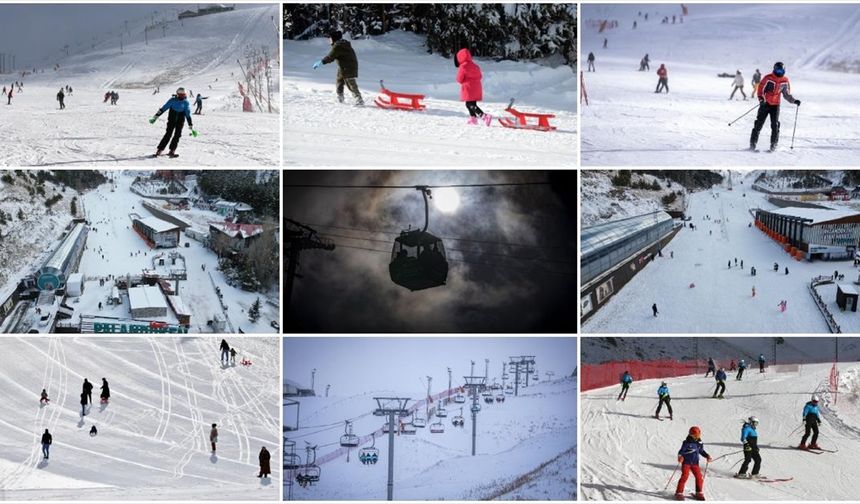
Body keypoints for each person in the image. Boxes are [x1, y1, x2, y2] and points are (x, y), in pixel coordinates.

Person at [749, 62, 800, 152]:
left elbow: (786, 94)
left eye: (781, 70)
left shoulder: (785, 80)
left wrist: (794, 101)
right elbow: (760, 90)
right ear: (774, 69)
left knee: (775, 125)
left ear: (784, 70)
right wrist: (762, 99)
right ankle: (752, 145)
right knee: (758, 124)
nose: (779, 72)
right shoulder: (768, 78)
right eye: (777, 70)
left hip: (775, 105)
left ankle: (773, 145)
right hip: (765, 104)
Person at [312, 30, 364, 106]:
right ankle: (340, 98)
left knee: (350, 83)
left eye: (330, 38)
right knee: (339, 81)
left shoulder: (338, 46)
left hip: (348, 67)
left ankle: (359, 100)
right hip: (343, 67)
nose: (329, 40)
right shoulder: (342, 44)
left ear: (334, 38)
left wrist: (321, 62)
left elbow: (330, 57)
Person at [149, 87, 195, 158]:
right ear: (178, 94)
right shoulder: (172, 101)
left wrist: (190, 125)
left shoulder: (186, 102)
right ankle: (159, 150)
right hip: (171, 120)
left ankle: (172, 150)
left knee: (177, 135)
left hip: (180, 121)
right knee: (168, 134)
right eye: (181, 95)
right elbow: (163, 109)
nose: (182, 96)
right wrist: (155, 117)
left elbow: (187, 114)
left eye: (183, 95)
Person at [454, 47, 490, 126]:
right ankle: (473, 119)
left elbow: (459, 79)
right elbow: (480, 76)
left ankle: (484, 116)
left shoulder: (463, 66)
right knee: (471, 103)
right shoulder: (475, 65)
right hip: (477, 87)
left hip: (468, 88)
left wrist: (464, 81)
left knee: (470, 104)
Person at [675, 426, 711, 501]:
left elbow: (701, 451)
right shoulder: (687, 442)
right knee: (685, 476)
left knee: (699, 477)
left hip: (695, 463)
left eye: (699, 434)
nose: (698, 436)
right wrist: (680, 457)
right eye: (696, 435)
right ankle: (679, 492)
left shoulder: (699, 442)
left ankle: (699, 492)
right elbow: (681, 451)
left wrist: (707, 456)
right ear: (692, 434)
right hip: (686, 463)